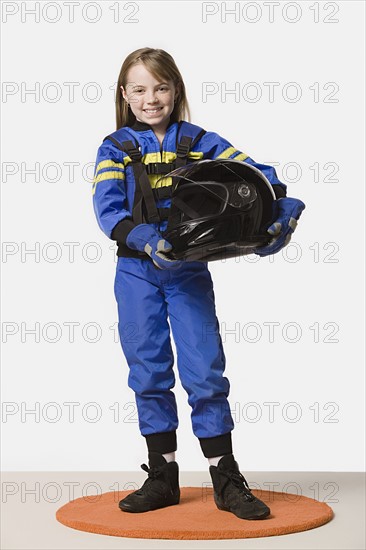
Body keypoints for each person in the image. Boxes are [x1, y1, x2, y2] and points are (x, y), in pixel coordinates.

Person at [92, 47, 305, 521]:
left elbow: (255, 173)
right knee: (147, 371)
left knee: (205, 371)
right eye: (141, 90)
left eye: (161, 88)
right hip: (136, 272)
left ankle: (225, 478)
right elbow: (108, 211)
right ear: (125, 95)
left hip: (189, 272)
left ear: (176, 91)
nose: (152, 99)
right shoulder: (114, 147)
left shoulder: (199, 140)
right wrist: (147, 240)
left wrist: (279, 207)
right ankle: (162, 476)